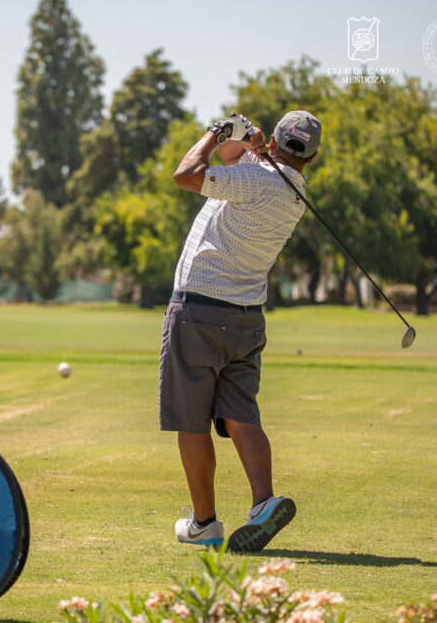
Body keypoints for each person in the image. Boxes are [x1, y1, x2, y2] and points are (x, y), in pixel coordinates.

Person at [160, 109, 321, 551]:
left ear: (278, 140)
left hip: (199, 310)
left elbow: (186, 174)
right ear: (309, 156)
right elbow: (236, 161)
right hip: (246, 317)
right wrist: (242, 138)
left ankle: (205, 523)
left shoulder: (258, 180)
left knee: (190, 420)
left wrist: (214, 133)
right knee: (240, 413)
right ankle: (263, 503)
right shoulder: (291, 188)